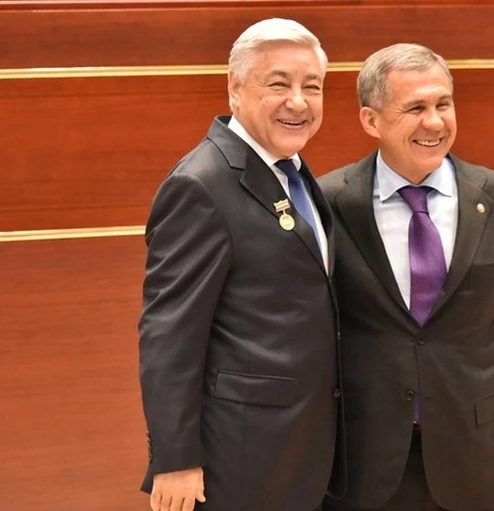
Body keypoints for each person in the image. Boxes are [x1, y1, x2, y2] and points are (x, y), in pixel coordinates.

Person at [318, 43, 494, 511]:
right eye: (415, 108)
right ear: (371, 120)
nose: (436, 123)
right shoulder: (328, 204)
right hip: (361, 457)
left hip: (472, 453)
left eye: (444, 104)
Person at [138, 18, 344, 511]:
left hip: (302, 450)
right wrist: (175, 459)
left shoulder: (292, 172)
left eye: (312, 86)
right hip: (239, 460)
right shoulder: (201, 184)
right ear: (235, 87)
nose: (298, 102)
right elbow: (169, 335)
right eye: (278, 84)